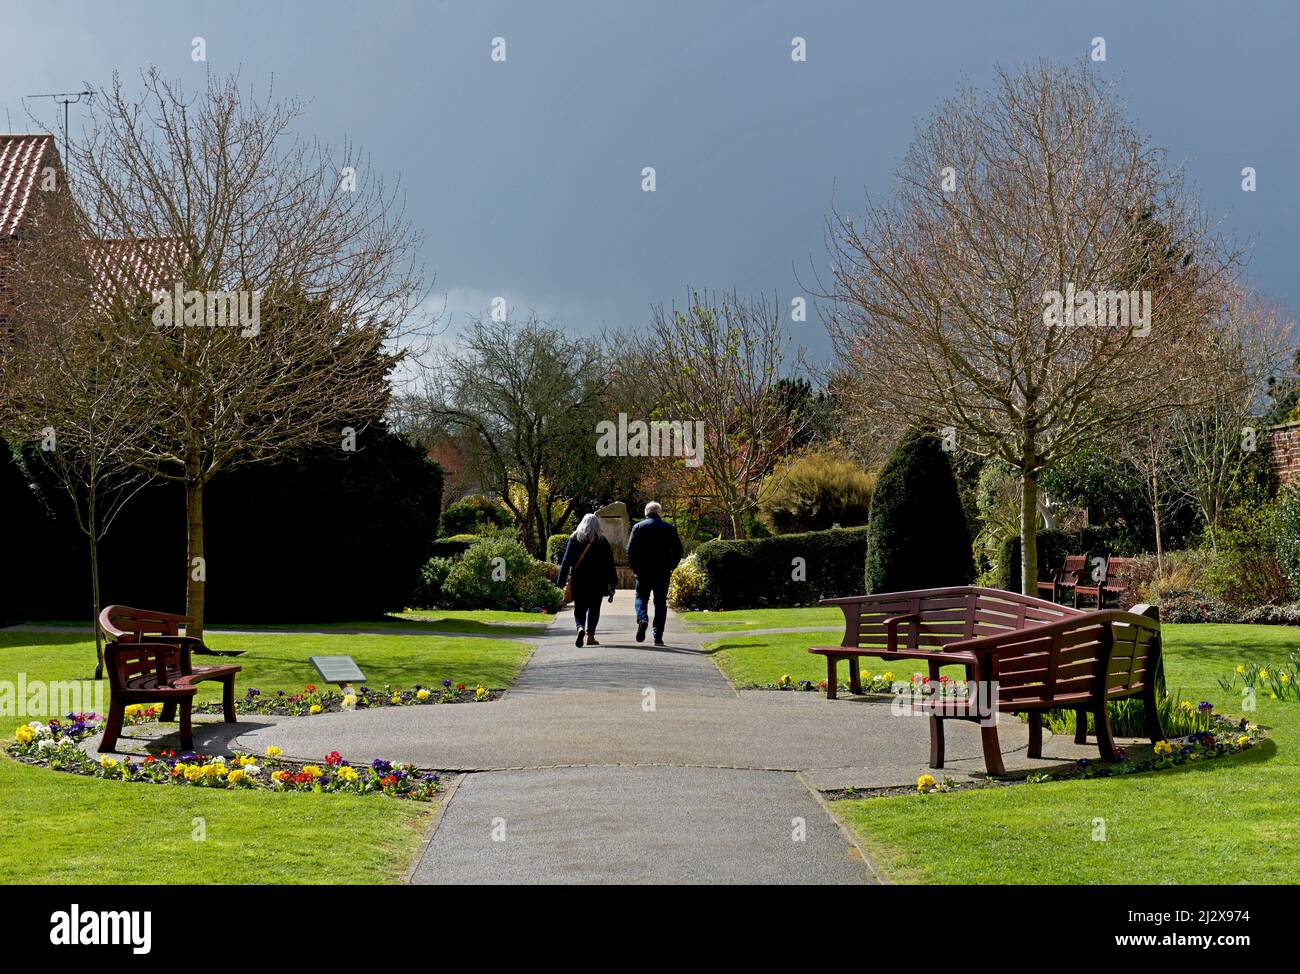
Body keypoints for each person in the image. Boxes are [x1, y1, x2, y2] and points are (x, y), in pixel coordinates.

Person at [626, 500, 683, 646]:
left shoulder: (638, 527)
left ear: (646, 513)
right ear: (659, 513)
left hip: (643, 571)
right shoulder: (668, 528)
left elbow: (630, 551)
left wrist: (635, 568)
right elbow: (678, 550)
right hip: (662, 571)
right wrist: (671, 566)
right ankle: (658, 636)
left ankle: (643, 619)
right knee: (660, 603)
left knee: (641, 598)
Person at [556, 513, 618, 647]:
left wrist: (561, 581)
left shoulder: (574, 538)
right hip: (598, 581)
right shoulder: (602, 541)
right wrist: (613, 582)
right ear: (597, 525)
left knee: (579, 607)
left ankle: (580, 628)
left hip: (579, 580)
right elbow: (609, 563)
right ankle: (590, 636)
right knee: (595, 608)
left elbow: (566, 561)